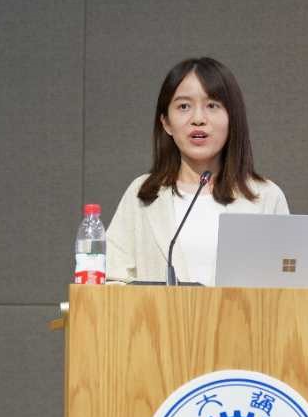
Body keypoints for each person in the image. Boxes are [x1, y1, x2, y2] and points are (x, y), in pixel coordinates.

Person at [106, 57, 290, 285]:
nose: (198, 119)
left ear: (232, 118)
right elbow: (112, 281)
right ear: (166, 122)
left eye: (212, 105)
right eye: (184, 106)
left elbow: (286, 289)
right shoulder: (142, 194)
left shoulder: (266, 197)